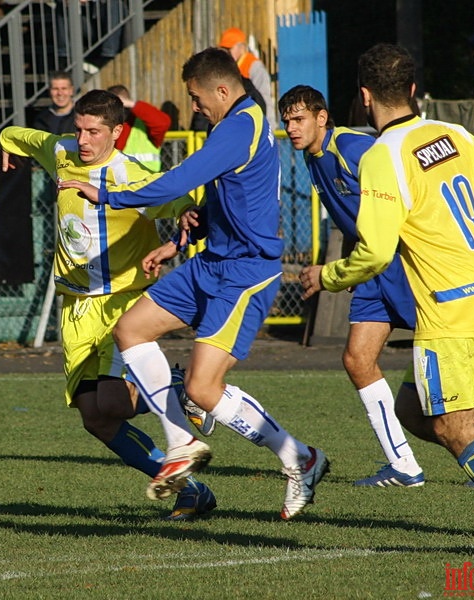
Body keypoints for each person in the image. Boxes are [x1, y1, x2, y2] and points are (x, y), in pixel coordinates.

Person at [299, 43, 474, 560]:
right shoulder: (453, 134)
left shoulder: (381, 155)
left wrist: (327, 276)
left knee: (452, 427)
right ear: (414, 91)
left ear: (365, 96)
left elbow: (373, 251)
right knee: (412, 411)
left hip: (448, 305)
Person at [59, 48, 329, 520]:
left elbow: (177, 180)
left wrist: (105, 193)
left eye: (196, 98)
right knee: (131, 329)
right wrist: (186, 237)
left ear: (222, 91)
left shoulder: (241, 124)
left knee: (205, 389)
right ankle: (181, 440)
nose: (194, 107)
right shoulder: (232, 123)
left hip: (246, 270)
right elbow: (231, 198)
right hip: (211, 261)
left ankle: (299, 458)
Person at [0, 89, 216, 521]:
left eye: (93, 132)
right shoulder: (59, 151)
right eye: (78, 129)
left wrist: (189, 215)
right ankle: (190, 489)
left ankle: (179, 387)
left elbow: (179, 201)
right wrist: (8, 148)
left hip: (121, 305)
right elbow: (15, 134)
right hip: (75, 309)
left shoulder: (131, 177)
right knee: (95, 418)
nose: (82, 139)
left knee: (114, 403)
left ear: (117, 132)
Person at [279, 84, 427, 488]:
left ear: (321, 118)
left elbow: (402, 189)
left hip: (403, 262)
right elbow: (354, 217)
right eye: (287, 121)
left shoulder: (352, 147)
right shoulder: (313, 159)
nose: (291, 128)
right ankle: (404, 465)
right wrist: (349, 268)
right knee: (357, 359)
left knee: (441, 355)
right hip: (370, 267)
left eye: (298, 119)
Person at [218, 27, 274, 127]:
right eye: (224, 48)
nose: (226, 52)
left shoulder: (254, 66)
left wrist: (268, 127)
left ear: (242, 47)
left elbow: (264, 98)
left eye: (229, 48)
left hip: (260, 124)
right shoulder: (232, 67)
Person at [107, 84, 170, 173]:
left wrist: (133, 105)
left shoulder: (143, 124)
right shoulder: (107, 125)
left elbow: (163, 123)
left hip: (146, 180)